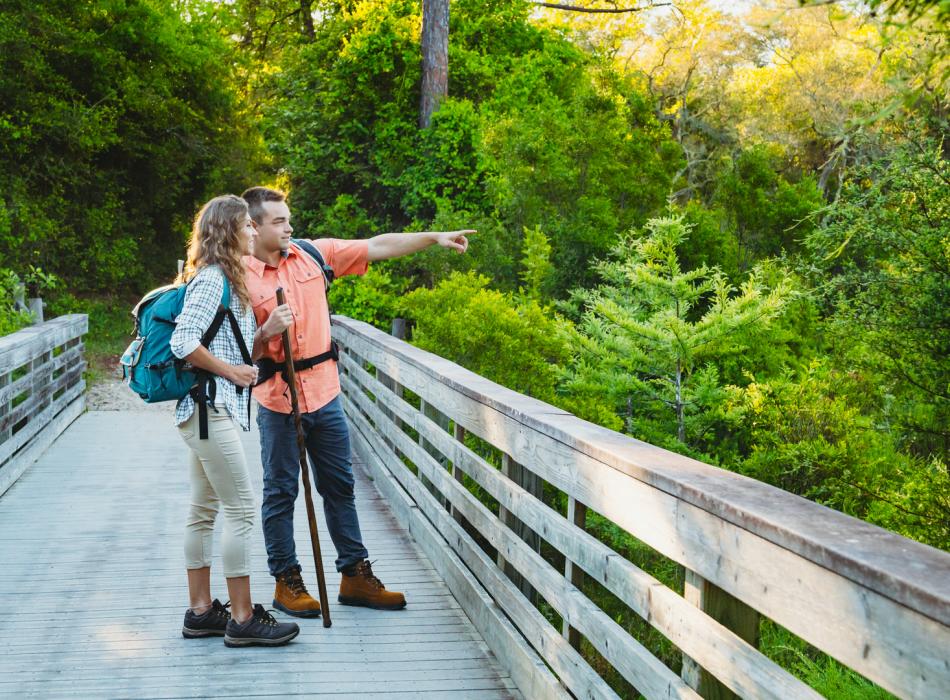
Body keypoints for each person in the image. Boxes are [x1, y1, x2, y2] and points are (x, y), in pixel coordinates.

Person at [242, 186, 473, 617]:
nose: (289, 226)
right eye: (279, 221)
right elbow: (235, 353)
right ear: (253, 227)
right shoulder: (238, 278)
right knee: (280, 493)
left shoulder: (312, 254)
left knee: (340, 487)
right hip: (278, 400)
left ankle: (354, 575)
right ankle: (286, 582)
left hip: (325, 395)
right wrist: (266, 332)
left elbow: (378, 244)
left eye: (289, 218)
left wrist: (435, 236)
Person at [170, 194, 300, 647]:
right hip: (209, 410)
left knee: (203, 511)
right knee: (242, 511)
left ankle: (202, 611)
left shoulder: (227, 280)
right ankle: (243, 619)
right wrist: (232, 372)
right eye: (247, 226)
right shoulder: (212, 281)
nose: (252, 232)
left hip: (207, 411)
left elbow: (234, 346)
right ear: (229, 232)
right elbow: (183, 342)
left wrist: (263, 335)